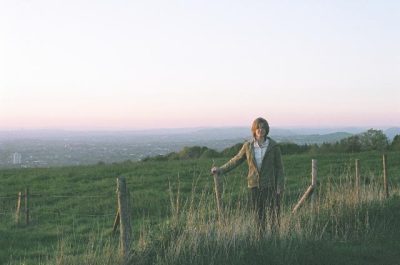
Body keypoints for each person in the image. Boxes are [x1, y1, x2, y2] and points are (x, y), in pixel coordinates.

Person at [211, 117, 284, 231]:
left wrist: (279, 186)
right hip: (254, 186)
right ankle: (260, 241)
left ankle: (275, 242)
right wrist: (220, 170)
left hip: (270, 186)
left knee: (274, 217)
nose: (261, 130)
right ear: (254, 130)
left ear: (267, 130)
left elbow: (279, 168)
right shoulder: (248, 146)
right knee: (258, 217)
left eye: (263, 127)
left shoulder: (273, 146)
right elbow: (236, 160)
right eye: (258, 127)